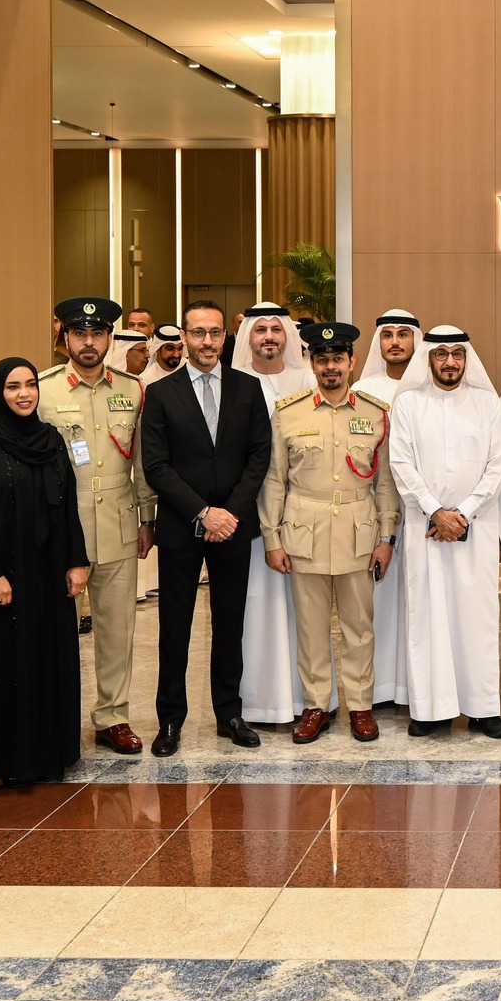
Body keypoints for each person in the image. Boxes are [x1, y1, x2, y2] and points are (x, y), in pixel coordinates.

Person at [0, 358, 91, 785]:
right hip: (0, 577)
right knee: (1, 664)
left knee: (46, 660)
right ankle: (1, 761)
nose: (24, 394)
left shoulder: (51, 439)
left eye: (30, 385)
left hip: (47, 574)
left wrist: (76, 561)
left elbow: (69, 503)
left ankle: (47, 754)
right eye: (13, 387)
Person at [140, 299, 272, 754]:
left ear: (224, 336)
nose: (207, 341)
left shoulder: (248, 388)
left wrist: (229, 513)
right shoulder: (160, 393)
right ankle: (170, 720)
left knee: (230, 624)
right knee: (174, 627)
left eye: (215, 332)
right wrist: (203, 512)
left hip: (233, 525)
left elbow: (259, 455)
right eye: (198, 333)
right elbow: (156, 465)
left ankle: (229, 713)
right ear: (184, 338)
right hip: (182, 526)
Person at [261, 322, 401, 744]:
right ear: (312, 364)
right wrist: (272, 538)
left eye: (338, 358)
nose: (330, 367)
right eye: (322, 360)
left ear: (352, 362)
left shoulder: (375, 413)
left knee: (360, 628)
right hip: (304, 534)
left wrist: (387, 538)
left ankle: (360, 706)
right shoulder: (289, 413)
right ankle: (316, 705)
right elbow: (274, 480)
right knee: (311, 627)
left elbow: (386, 483)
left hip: (360, 534)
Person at [38, 297, 153, 754]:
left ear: (109, 338)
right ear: (64, 338)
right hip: (62, 530)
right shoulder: (43, 390)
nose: (89, 342)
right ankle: (56, 718)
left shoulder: (133, 389)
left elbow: (141, 461)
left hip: (120, 523)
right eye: (80, 334)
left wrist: (147, 517)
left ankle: (113, 716)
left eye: (98, 334)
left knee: (118, 629)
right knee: (56, 631)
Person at [390, 326, 501, 736]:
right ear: (428, 359)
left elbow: (498, 466)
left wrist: (463, 513)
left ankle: (482, 709)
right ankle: (432, 710)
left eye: (457, 354)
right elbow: (401, 464)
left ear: (466, 359)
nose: (449, 362)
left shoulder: (488, 404)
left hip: (475, 529)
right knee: (428, 619)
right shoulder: (408, 404)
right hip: (425, 529)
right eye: (441, 354)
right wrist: (435, 511)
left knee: (477, 618)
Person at [229, 301, 316, 727]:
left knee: (307, 610)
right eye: (260, 329)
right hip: (247, 511)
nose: (268, 336)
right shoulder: (232, 382)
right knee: (255, 606)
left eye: (276, 329)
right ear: (248, 336)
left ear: (287, 335)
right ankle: (260, 703)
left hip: (303, 514)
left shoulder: (308, 380)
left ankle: (309, 699)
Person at [354, 309, 420, 709]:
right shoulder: (363, 389)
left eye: (403, 334)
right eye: (387, 335)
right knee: (378, 598)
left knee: (419, 599)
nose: (395, 342)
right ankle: (379, 689)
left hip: (423, 509)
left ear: (416, 340)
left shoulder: (429, 384)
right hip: (376, 508)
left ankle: (417, 688)